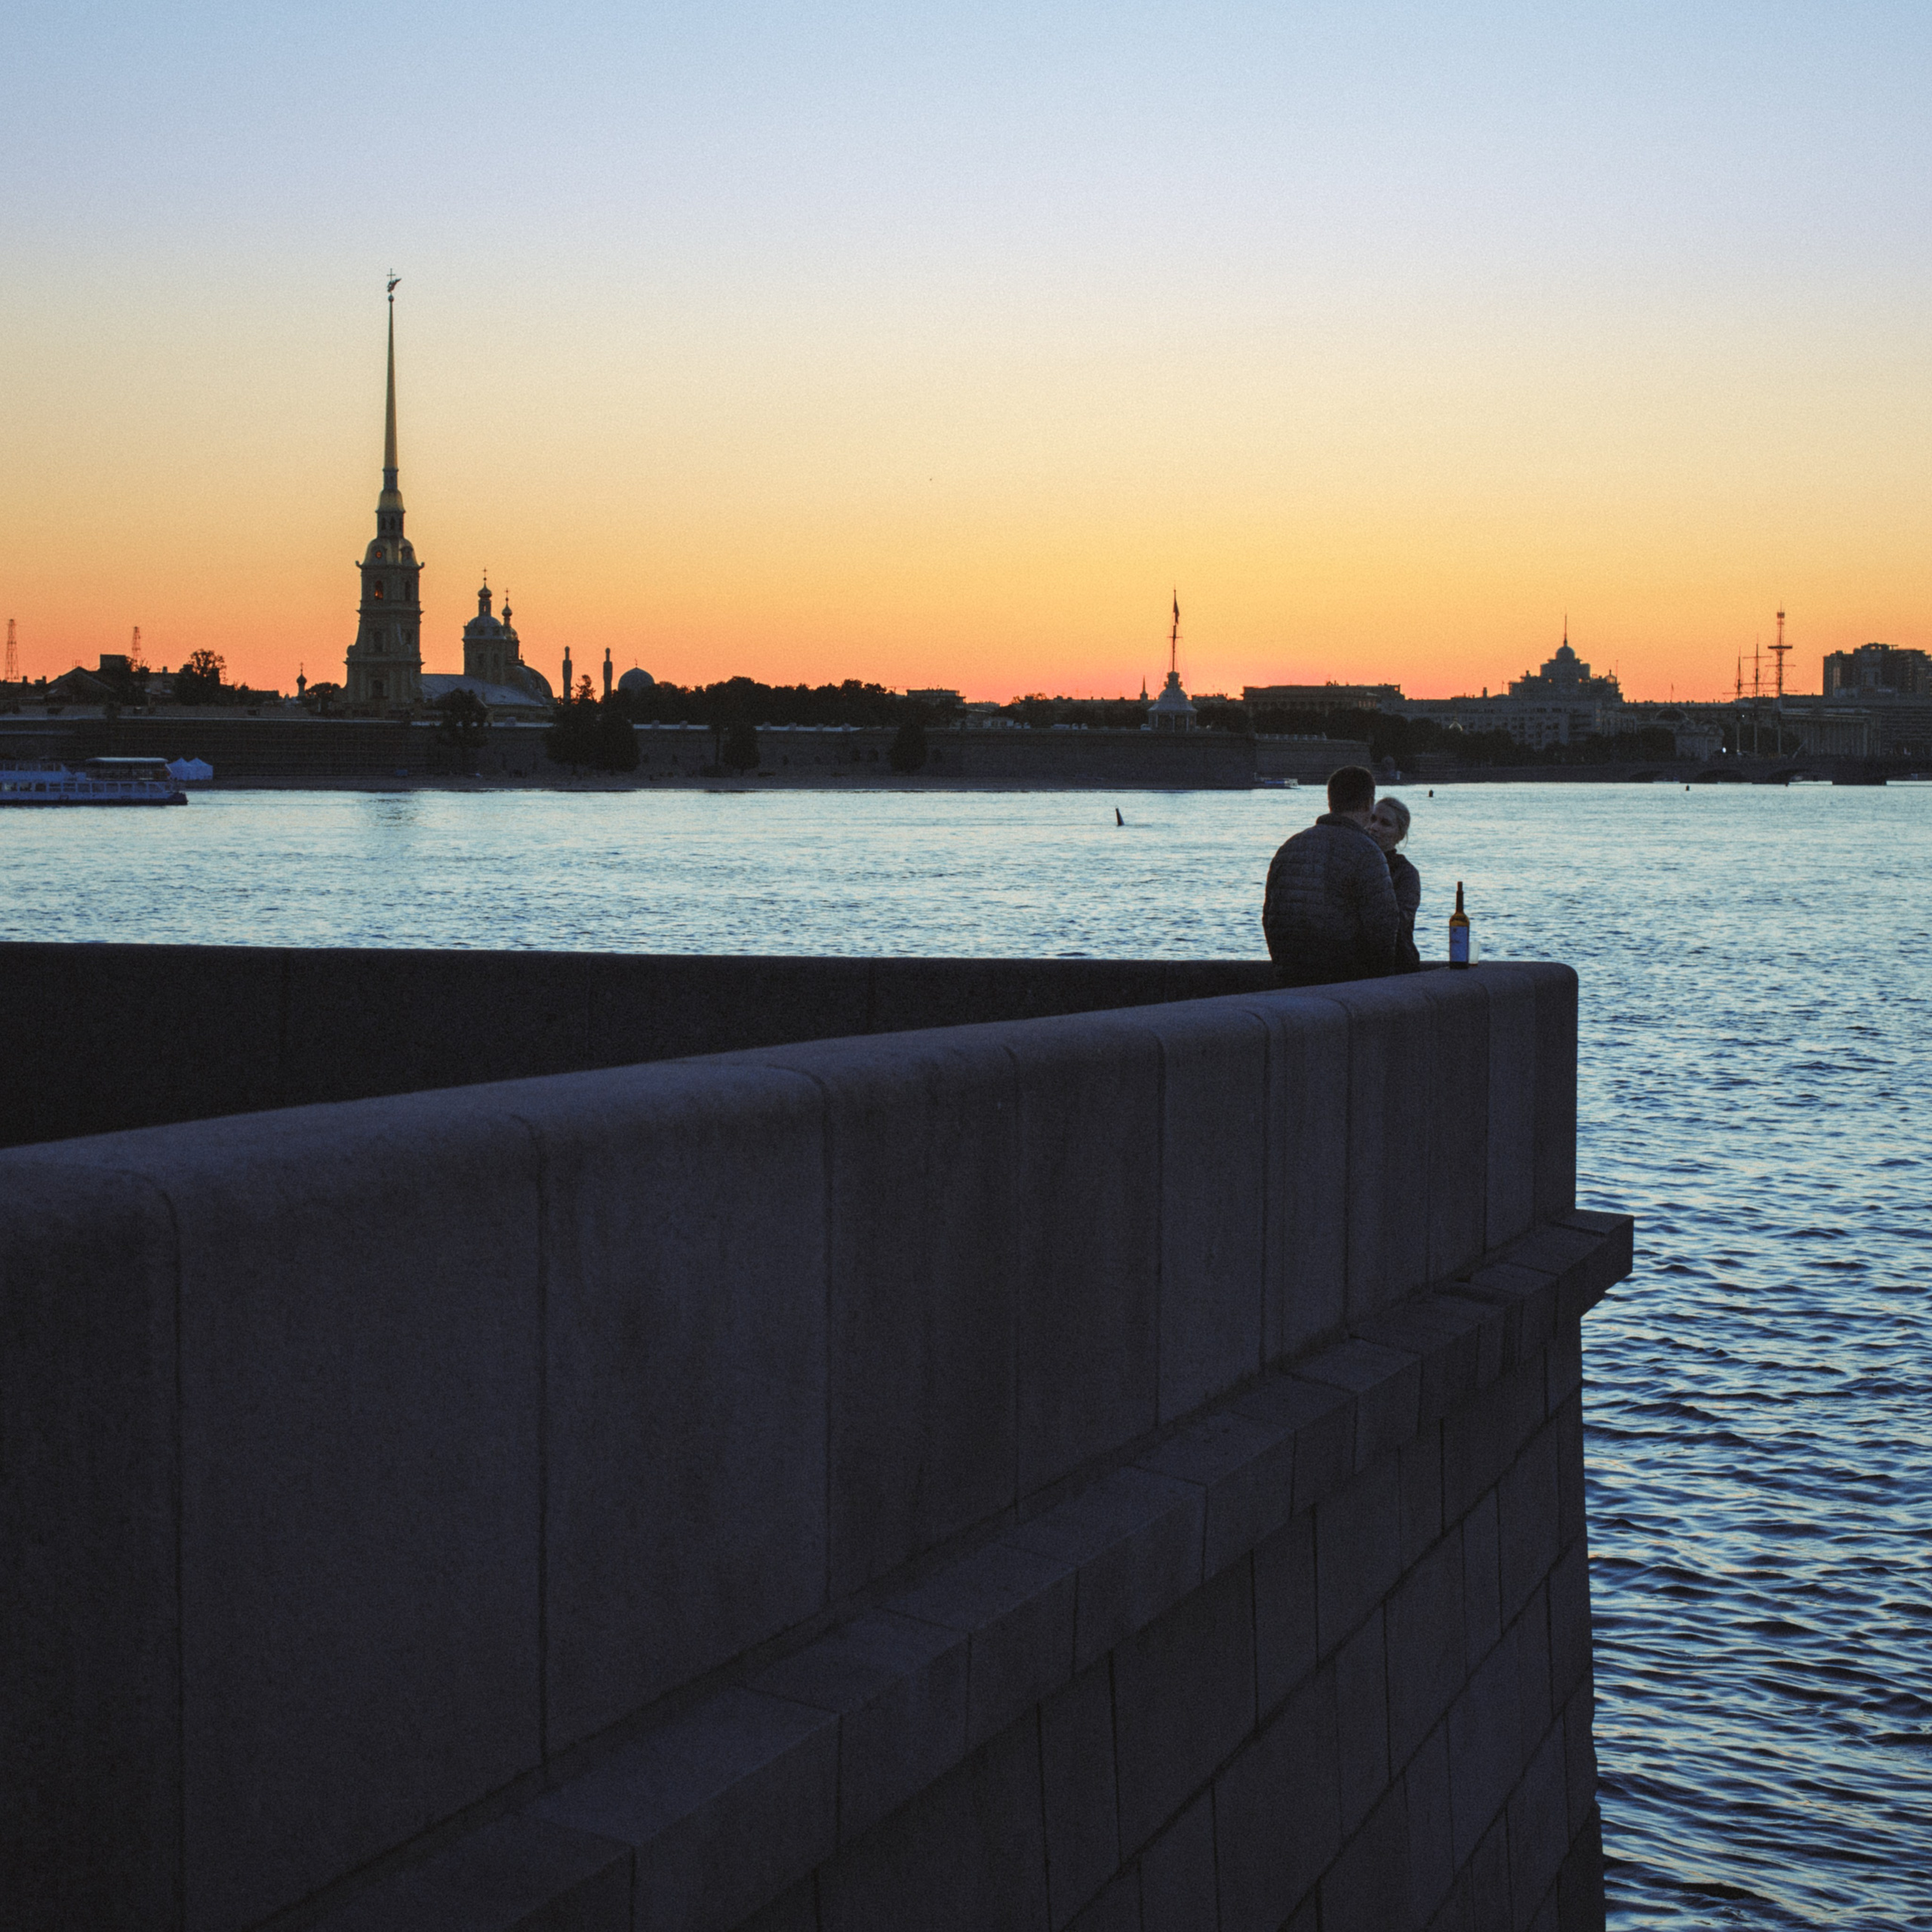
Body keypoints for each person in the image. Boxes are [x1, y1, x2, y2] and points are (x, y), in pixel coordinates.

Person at [1262, 764, 1400, 986]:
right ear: (1368, 803)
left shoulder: (1289, 847)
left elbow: (1270, 915)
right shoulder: (1367, 852)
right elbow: (1383, 926)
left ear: (1331, 802)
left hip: (1289, 979)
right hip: (1345, 984)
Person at [1368, 794, 1422, 971]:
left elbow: (1399, 922)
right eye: (1372, 819)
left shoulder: (1406, 874)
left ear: (1399, 835)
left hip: (1397, 965)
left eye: (1385, 823)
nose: (1374, 827)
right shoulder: (1352, 862)